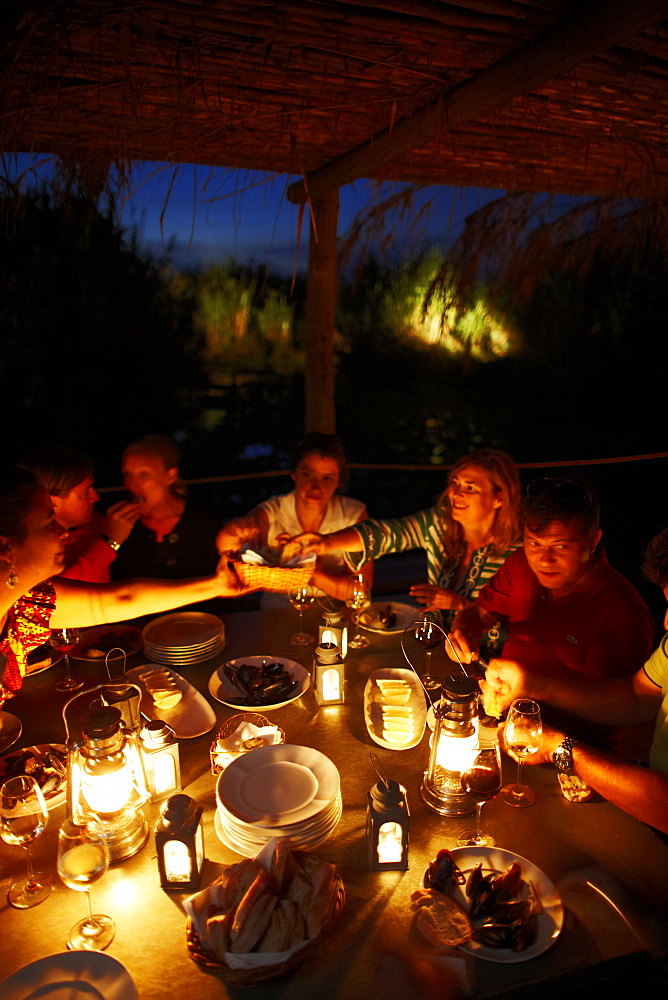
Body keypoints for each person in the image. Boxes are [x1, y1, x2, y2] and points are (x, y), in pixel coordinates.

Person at [0, 467, 254, 708]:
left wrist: (216, 584)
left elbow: (121, 598)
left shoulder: (25, 604)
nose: (63, 533)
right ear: (4, 547)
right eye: (48, 524)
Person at [451, 476, 656, 749]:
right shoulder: (520, 564)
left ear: (593, 541)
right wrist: (463, 630)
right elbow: (478, 614)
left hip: (573, 748)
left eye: (561, 546)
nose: (544, 560)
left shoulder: (622, 612)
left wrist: (534, 686)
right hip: (502, 720)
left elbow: (622, 708)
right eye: (534, 543)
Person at [285, 449, 521, 637]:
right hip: (436, 644)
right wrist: (327, 543)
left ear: (499, 498)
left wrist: (461, 606)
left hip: (487, 663)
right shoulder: (439, 524)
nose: (456, 494)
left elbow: (514, 629)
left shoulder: (516, 554)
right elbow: (386, 534)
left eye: (470, 488)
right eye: (455, 483)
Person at [216, 432, 372, 602]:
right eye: (307, 474)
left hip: (333, 610)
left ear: (338, 482)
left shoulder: (352, 515)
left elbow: (361, 590)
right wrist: (235, 529)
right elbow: (230, 545)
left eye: (327, 478)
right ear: (294, 474)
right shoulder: (273, 510)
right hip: (279, 609)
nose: (316, 487)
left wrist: (309, 572)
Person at [18, 445, 140, 583]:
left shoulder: (96, 525)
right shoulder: (27, 547)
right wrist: (110, 541)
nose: (95, 497)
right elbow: (59, 595)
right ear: (51, 501)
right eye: (85, 493)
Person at [111, 434, 220, 582]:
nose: (131, 484)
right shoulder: (119, 526)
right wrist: (112, 540)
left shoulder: (203, 523)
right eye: (127, 474)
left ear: (169, 476)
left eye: (144, 475)